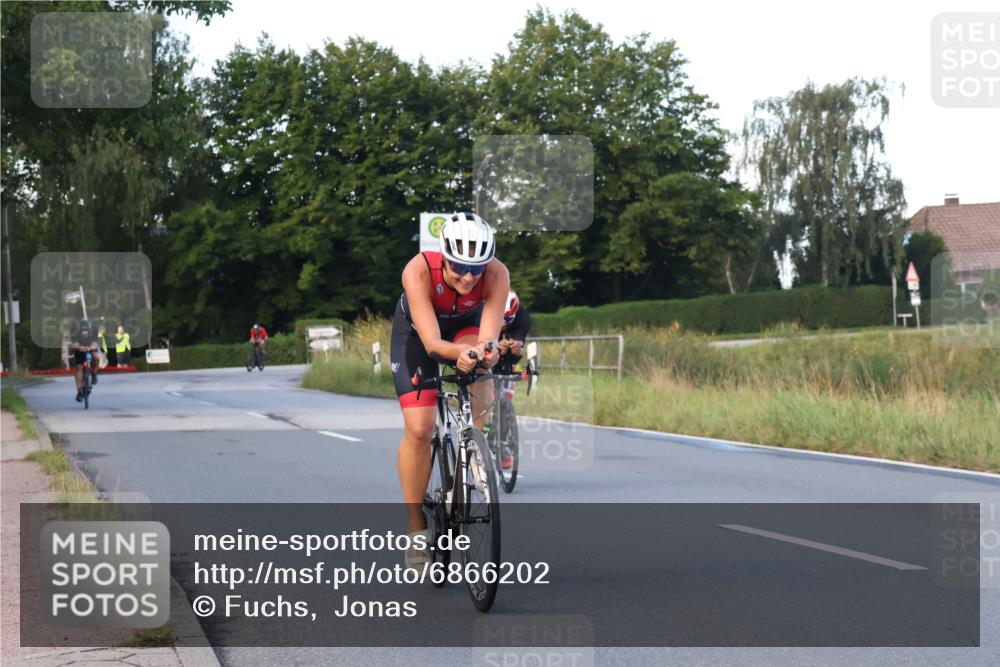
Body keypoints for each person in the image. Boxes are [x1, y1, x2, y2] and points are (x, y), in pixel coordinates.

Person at [391, 212, 510, 570]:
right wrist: (459, 354)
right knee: (419, 429)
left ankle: (474, 447)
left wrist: (483, 354)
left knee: (482, 374)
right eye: (459, 266)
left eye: (477, 268)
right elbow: (431, 343)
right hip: (417, 336)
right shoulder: (419, 270)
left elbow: (488, 339)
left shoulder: (497, 274)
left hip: (465, 328)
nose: (469, 276)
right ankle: (416, 528)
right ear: (444, 256)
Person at [491, 290, 532, 470]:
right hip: (483, 359)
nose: (502, 325)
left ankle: (502, 444)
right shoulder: (479, 314)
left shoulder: (523, 317)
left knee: (505, 401)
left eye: (507, 320)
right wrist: (494, 346)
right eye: (499, 320)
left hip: (507, 363)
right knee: (484, 400)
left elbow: (520, 348)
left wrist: (516, 348)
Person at [70, 319, 99, 402]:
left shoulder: (94, 329)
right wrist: (80, 347)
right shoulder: (74, 330)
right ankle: (79, 391)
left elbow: (95, 343)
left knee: (96, 357)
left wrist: (90, 347)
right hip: (79, 349)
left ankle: (94, 372)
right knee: (79, 368)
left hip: (90, 348)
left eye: (87, 330)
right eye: (83, 330)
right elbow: (74, 343)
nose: (85, 332)